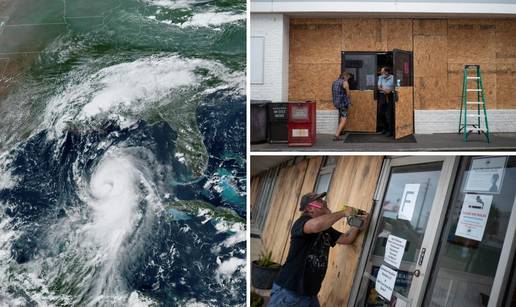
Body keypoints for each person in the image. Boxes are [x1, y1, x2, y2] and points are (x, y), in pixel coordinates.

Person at [268, 192, 369, 307]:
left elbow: (346, 239)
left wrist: (358, 223)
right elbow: (316, 226)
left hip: (310, 295)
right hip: (288, 292)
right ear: (310, 208)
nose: (324, 202)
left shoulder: (326, 229)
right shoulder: (301, 223)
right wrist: (343, 213)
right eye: (319, 201)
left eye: (323, 199)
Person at [331, 72, 352, 141]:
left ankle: (341, 131)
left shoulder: (334, 82)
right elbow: (348, 93)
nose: (348, 79)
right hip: (343, 104)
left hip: (337, 103)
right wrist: (349, 99)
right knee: (344, 119)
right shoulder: (345, 82)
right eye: (348, 77)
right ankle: (337, 135)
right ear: (345, 77)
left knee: (341, 117)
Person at [377, 67, 394, 137]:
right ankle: (384, 129)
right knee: (381, 113)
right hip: (382, 96)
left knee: (389, 114)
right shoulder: (380, 77)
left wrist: (389, 90)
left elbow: (394, 87)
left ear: (387, 72)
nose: (381, 73)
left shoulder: (393, 78)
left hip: (390, 96)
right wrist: (385, 90)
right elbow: (378, 87)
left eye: (382, 72)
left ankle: (390, 131)